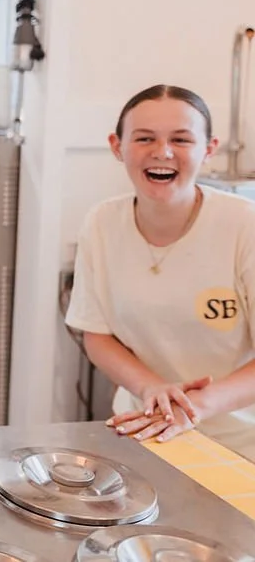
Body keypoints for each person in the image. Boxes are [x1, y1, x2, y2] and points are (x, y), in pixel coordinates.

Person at [66, 84, 255, 460]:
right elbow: (97, 336)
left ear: (209, 149)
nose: (163, 152)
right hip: (141, 429)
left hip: (238, 445)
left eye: (181, 139)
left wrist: (195, 406)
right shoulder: (102, 222)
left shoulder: (244, 225)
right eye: (144, 138)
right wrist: (152, 388)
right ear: (117, 146)